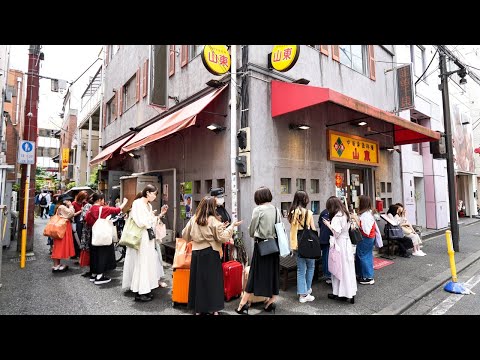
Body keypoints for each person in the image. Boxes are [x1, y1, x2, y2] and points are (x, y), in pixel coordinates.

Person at [183, 196, 242, 315]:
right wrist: (231, 227)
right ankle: (214, 310)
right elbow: (222, 237)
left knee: (198, 282)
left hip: (196, 253)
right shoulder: (214, 221)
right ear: (212, 207)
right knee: (214, 283)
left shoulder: (194, 218)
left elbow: (185, 235)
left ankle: (198, 309)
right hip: (210, 253)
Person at [236, 186, 278, 314]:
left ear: (258, 197)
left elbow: (252, 230)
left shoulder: (258, 210)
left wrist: (252, 230)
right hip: (274, 246)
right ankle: (270, 302)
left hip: (261, 247)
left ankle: (242, 304)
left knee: (255, 274)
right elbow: (279, 228)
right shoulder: (276, 209)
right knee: (272, 274)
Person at [122, 185, 168, 301]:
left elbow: (150, 221)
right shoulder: (138, 203)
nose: (154, 196)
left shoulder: (148, 204)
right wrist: (152, 218)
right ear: (148, 193)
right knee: (142, 263)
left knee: (147, 263)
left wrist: (157, 216)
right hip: (142, 236)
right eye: (154, 194)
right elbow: (141, 221)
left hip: (148, 236)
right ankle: (140, 292)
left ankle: (145, 290)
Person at [85, 192, 128, 285]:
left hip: (94, 233)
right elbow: (117, 210)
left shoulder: (91, 208)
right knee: (102, 254)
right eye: (103, 199)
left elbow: (87, 220)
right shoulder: (103, 209)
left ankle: (93, 274)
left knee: (94, 254)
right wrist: (125, 202)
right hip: (103, 234)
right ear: (100, 200)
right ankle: (99, 276)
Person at [322, 196, 357, 304]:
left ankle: (340, 293)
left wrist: (328, 224)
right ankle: (349, 292)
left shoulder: (337, 217)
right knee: (348, 269)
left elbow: (336, 233)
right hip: (346, 243)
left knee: (338, 268)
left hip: (339, 244)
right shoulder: (345, 214)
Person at [288, 190, 317, 303]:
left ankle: (302, 294)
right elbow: (313, 229)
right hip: (307, 243)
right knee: (310, 266)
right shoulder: (308, 213)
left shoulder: (292, 212)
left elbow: (293, 229)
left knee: (300, 270)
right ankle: (307, 291)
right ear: (305, 200)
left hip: (296, 244)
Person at [352, 195, 377, 285]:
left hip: (366, 238)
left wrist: (356, 219)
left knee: (363, 256)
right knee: (365, 255)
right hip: (369, 237)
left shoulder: (366, 215)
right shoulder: (368, 213)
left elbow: (365, 229)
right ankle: (363, 275)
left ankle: (367, 277)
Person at [51, 194, 75, 273]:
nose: (69, 201)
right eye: (67, 200)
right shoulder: (62, 207)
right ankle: (56, 265)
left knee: (58, 246)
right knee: (59, 246)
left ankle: (57, 265)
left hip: (60, 228)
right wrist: (71, 206)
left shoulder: (59, 207)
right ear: (64, 200)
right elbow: (70, 214)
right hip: (62, 229)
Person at [210, 187, 232, 262]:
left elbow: (227, 219)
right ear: (213, 198)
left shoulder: (221, 207)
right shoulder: (210, 211)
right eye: (219, 197)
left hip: (224, 239)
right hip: (216, 243)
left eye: (222, 197)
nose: (221, 199)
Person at [318, 198, 336, 285]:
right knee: (329, 257)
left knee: (326, 256)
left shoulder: (324, 212)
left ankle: (327, 274)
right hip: (330, 239)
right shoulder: (335, 213)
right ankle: (329, 275)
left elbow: (319, 223)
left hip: (324, 238)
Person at [71, 191, 89, 259]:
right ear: (80, 197)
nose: (85, 199)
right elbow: (72, 214)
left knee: (82, 236)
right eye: (84, 198)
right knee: (77, 237)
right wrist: (80, 211)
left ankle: (81, 253)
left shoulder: (85, 203)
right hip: (76, 222)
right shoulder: (74, 204)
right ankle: (75, 253)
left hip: (83, 222)